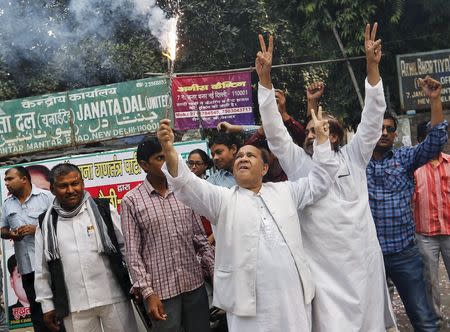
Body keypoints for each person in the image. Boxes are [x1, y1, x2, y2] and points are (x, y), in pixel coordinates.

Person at [157, 88, 339, 332]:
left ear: (264, 169)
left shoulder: (285, 191)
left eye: (251, 155)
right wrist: (169, 149)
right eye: (240, 156)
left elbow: (320, 181)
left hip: (292, 299)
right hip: (249, 308)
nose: (243, 158)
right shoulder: (222, 199)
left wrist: (323, 142)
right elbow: (187, 184)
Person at [258, 25, 396, 331]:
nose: (309, 134)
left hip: (361, 261)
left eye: (317, 129)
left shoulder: (354, 156)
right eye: (307, 131)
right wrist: (265, 82)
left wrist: (372, 68)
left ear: (334, 134)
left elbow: (373, 120)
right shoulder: (300, 165)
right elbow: (277, 136)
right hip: (322, 271)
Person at [367, 74, 447, 331]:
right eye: (380, 127)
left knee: (424, 320)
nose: (385, 133)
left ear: (395, 133)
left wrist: (435, 101)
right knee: (370, 321)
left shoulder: (404, 158)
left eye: (390, 128)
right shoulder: (355, 162)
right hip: (370, 255)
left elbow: (434, 142)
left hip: (404, 253)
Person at [120, 137, 214, 332]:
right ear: (144, 165)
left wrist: (215, 274)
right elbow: (133, 253)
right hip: (161, 294)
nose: (167, 162)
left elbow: (200, 239)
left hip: (194, 286)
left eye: (168, 156)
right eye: (160, 158)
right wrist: (148, 293)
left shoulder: (184, 191)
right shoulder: (131, 201)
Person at [34, 163, 138, 332]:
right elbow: (41, 269)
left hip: (113, 296)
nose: (70, 190)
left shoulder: (104, 210)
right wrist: (47, 306)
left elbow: (126, 248)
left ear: (82, 183)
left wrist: (136, 283)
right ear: (52, 189)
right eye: (63, 186)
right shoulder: (46, 224)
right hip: (75, 305)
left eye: (75, 183)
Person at [0, 166, 53, 332]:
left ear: (24, 179)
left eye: (10, 179)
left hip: (49, 263)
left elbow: (60, 224)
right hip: (26, 268)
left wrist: (36, 229)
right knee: (36, 312)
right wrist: (11, 234)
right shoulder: (7, 204)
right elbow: (2, 230)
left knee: (57, 308)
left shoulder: (46, 197)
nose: (6, 183)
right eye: (5, 180)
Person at [413, 121, 450, 324]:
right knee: (430, 280)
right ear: (422, 140)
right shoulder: (415, 168)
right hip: (425, 234)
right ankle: (435, 319)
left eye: (442, 134)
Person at [7, 255, 29, 323]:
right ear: (11, 281)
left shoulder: (50, 308)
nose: (27, 280)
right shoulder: (8, 314)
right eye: (20, 276)